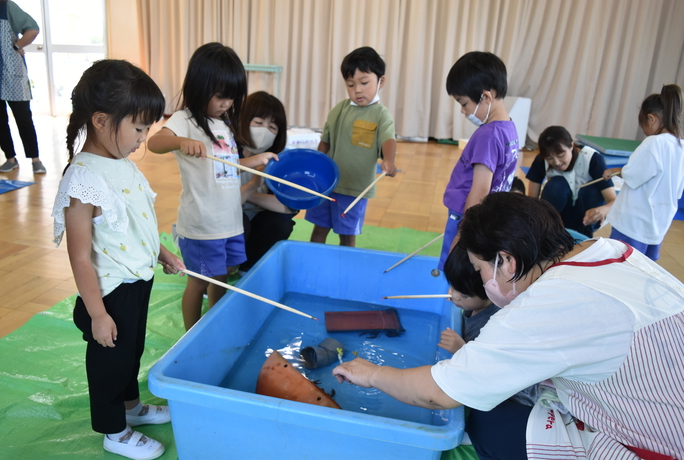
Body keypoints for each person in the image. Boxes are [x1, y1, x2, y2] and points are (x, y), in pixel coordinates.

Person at [333, 192, 684, 460]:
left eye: (480, 269)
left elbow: (438, 391)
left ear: (506, 261)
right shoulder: (606, 248)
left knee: (486, 420)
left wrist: (372, 373)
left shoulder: (551, 302)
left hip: (653, 444)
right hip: (654, 407)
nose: (480, 280)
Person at [51, 60, 186, 460]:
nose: (143, 139)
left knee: (132, 350)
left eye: (147, 129)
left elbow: (134, 223)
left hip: (137, 282)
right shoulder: (83, 179)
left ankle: (132, 408)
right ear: (101, 120)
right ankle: (114, 430)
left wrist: (161, 252)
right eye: (139, 128)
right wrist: (97, 314)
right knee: (110, 362)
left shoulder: (121, 164)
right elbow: (79, 256)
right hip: (109, 293)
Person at [148, 43, 277, 330]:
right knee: (200, 281)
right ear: (200, 85)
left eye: (231, 99)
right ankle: (191, 335)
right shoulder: (185, 120)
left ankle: (214, 327)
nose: (226, 104)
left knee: (221, 278)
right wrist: (181, 141)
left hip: (228, 222)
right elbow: (154, 142)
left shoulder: (223, 123)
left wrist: (257, 159)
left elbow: (230, 163)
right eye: (221, 97)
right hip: (203, 225)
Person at [306, 46, 397, 247]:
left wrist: (389, 159)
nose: (357, 90)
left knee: (346, 236)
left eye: (364, 83)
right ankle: (313, 262)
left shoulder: (381, 115)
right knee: (319, 227)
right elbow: (325, 141)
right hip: (327, 184)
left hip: (355, 189)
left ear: (381, 81)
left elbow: (388, 140)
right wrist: (315, 170)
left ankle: (343, 270)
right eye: (350, 84)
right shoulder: (339, 109)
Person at [438, 51, 519, 270]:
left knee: (457, 270)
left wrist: (463, 233)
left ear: (486, 97)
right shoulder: (509, 127)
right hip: (489, 218)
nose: (463, 111)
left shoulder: (488, 135)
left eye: (463, 103)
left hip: (468, 217)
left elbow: (480, 189)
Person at [439, 244, 538, 408]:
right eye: (453, 287)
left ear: (490, 292)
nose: (453, 295)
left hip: (515, 401)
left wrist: (462, 350)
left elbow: (493, 374)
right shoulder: (476, 303)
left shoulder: (494, 324)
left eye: (463, 294)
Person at [604, 84, 684, 261]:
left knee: (619, 270)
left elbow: (633, 175)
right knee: (643, 271)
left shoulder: (653, 143)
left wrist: (617, 171)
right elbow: (678, 190)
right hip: (658, 226)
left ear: (651, 119)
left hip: (633, 224)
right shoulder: (681, 146)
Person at [237, 91, 296, 273]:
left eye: (272, 127)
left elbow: (288, 207)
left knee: (280, 223)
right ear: (244, 120)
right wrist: (253, 184)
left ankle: (249, 265)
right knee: (239, 220)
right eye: (258, 123)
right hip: (228, 223)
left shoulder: (279, 161)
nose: (264, 130)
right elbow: (224, 203)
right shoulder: (228, 154)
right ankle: (221, 269)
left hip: (259, 224)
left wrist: (251, 194)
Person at [526, 126, 616, 237]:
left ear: (572, 146)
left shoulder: (593, 159)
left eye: (561, 155)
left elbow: (613, 200)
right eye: (550, 158)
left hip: (586, 216)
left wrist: (602, 210)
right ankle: (549, 230)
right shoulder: (541, 160)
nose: (557, 162)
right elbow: (532, 201)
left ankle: (585, 233)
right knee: (556, 185)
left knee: (591, 190)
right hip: (557, 215)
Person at [0, 0, 46, 174]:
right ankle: (10, 158)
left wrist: (17, 46)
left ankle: (35, 159)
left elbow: (33, 29)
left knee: (23, 118)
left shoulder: (7, 6)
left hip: (11, 73)